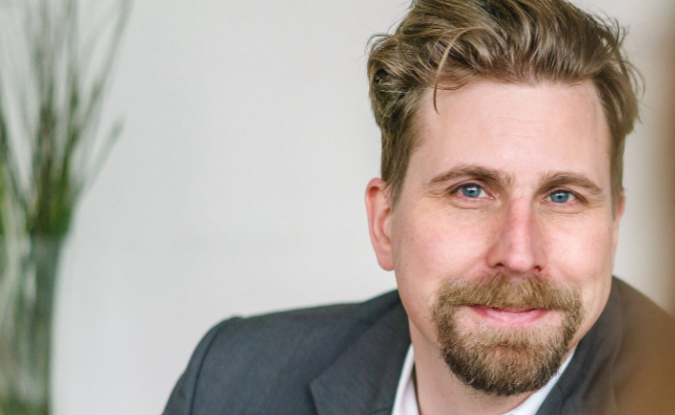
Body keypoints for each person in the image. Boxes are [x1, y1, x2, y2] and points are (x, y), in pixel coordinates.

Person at [163, 0, 675, 414]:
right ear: (384, 224)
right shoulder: (233, 382)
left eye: (562, 196)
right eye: (470, 190)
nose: (519, 254)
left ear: (613, 227)